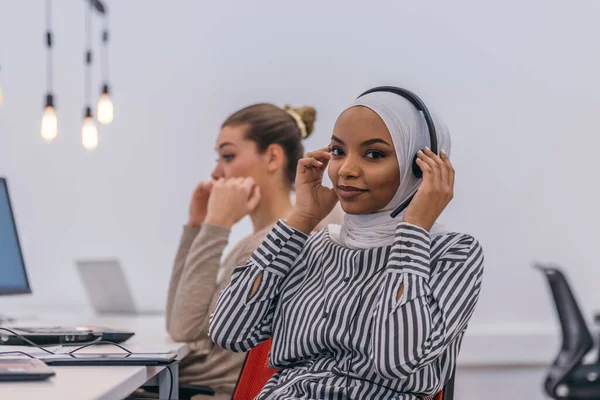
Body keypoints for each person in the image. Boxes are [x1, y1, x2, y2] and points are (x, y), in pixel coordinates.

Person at [209, 90, 485, 399]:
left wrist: (414, 228)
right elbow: (229, 331)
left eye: (374, 155)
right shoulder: (310, 247)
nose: (346, 169)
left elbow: (396, 360)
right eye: (338, 151)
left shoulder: (453, 253)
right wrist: (301, 217)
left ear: (421, 169)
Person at [165, 102, 321, 399]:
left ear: (273, 157)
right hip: (192, 387)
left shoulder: (272, 246)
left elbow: (183, 329)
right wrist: (196, 227)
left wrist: (216, 224)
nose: (215, 172)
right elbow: (179, 321)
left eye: (228, 156)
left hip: (209, 393)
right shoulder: (257, 240)